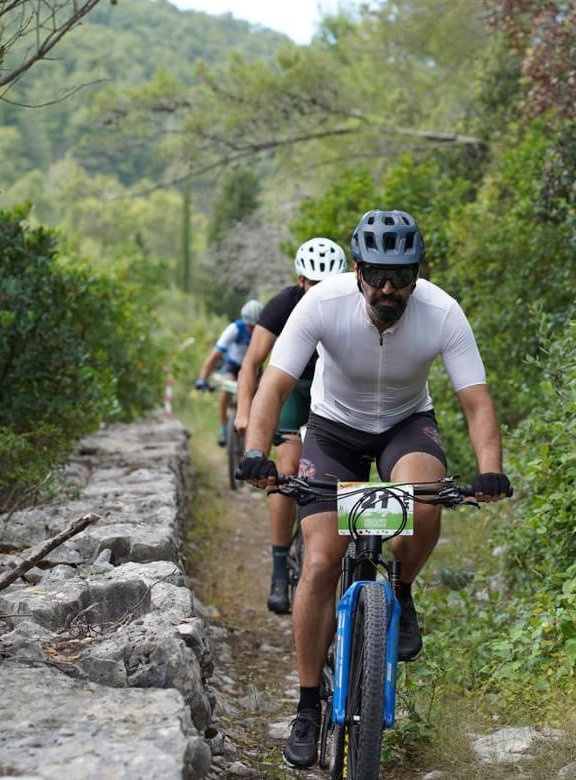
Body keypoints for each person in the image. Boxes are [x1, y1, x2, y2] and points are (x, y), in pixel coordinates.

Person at [237, 209, 512, 769]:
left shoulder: (441, 312)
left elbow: (476, 401)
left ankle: (402, 593)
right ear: (357, 269)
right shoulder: (321, 304)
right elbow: (274, 384)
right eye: (378, 276)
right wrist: (255, 454)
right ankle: (309, 704)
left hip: (406, 425)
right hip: (334, 430)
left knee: (425, 497)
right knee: (318, 562)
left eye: (402, 277)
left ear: (417, 274)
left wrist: (490, 469)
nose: (389, 289)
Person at [234, 237, 348, 614]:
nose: (322, 293)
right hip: (293, 390)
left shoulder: (353, 301)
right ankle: (280, 569)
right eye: (315, 285)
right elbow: (253, 363)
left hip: (331, 390)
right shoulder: (283, 305)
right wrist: (244, 412)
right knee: (286, 472)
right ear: (301, 281)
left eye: (329, 284)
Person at [195, 298, 263, 446]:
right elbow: (214, 356)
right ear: (244, 322)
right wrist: (203, 379)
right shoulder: (235, 329)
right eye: (249, 325)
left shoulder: (266, 330)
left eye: (255, 326)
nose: (252, 329)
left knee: (259, 396)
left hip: (254, 367)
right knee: (226, 390)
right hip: (232, 365)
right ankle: (223, 429)